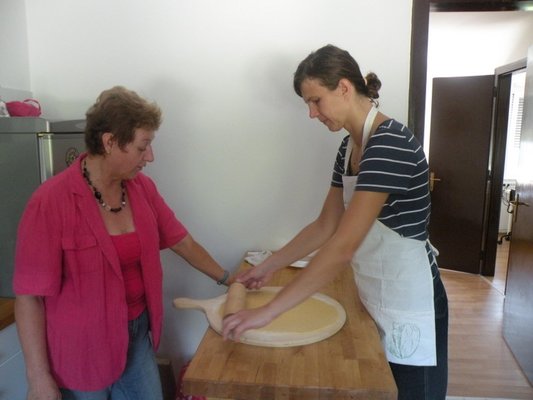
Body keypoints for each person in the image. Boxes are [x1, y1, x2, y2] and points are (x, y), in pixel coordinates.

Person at [222, 45, 449, 400]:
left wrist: (268, 312)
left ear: (344, 87)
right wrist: (267, 266)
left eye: (316, 101)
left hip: (409, 301)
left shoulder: (389, 143)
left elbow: (343, 246)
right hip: (375, 291)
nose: (312, 113)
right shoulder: (348, 148)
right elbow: (325, 225)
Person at [14, 86, 231, 400]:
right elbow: (29, 298)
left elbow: (182, 242)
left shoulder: (142, 189)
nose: (150, 157)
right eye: (143, 146)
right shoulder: (50, 201)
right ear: (110, 142)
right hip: (80, 351)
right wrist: (38, 378)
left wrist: (229, 279)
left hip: (137, 336)